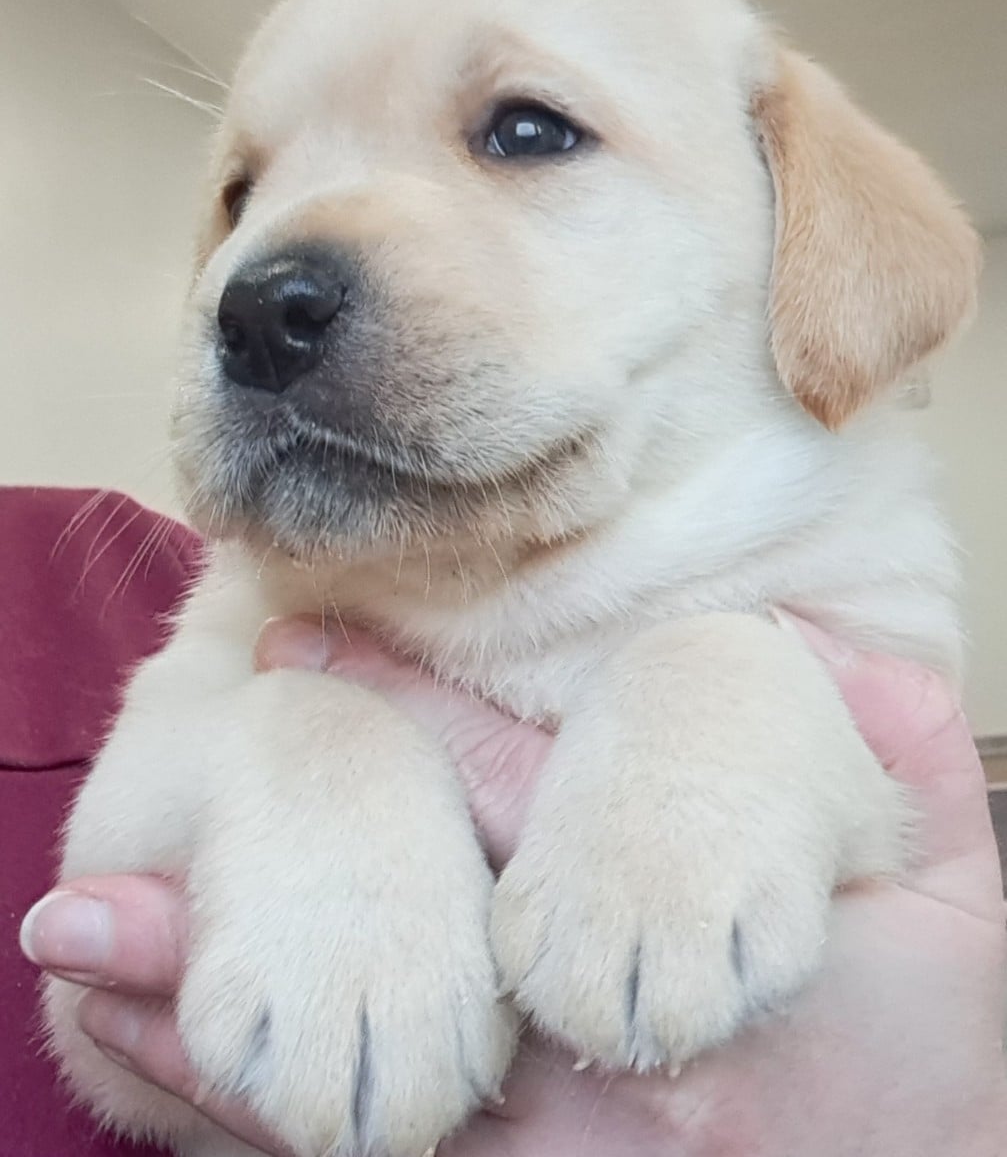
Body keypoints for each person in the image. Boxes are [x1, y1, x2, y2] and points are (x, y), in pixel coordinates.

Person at [4, 487, 1006, 1155]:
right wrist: (319, 760)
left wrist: (958, 1127)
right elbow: (106, 1029)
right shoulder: (212, 586)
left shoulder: (93, 559)